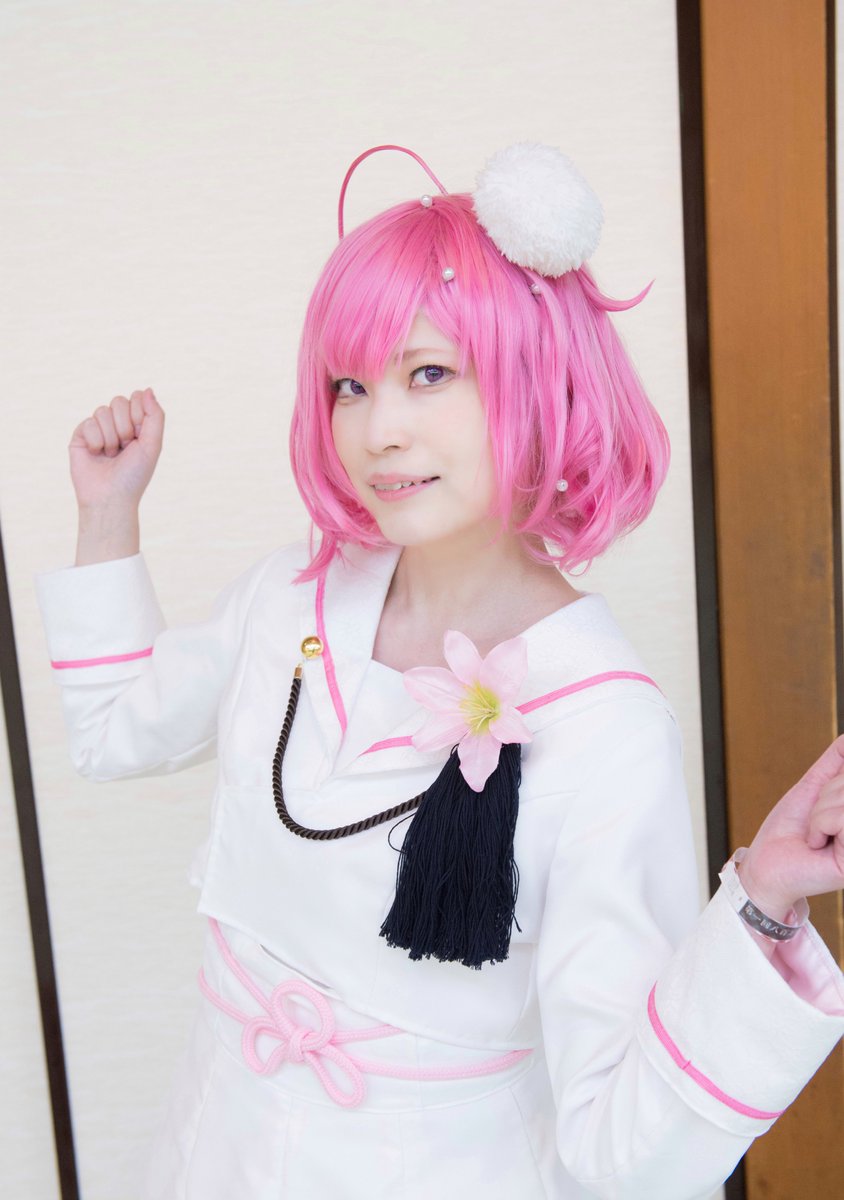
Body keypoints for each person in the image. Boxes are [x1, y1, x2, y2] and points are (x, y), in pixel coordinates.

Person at [36, 143, 844, 1200]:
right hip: (211, 1154)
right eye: (350, 385)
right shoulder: (292, 599)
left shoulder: (604, 724)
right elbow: (114, 733)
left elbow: (624, 1151)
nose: (379, 430)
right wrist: (107, 512)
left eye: (428, 374)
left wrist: (764, 905)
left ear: (534, 377)